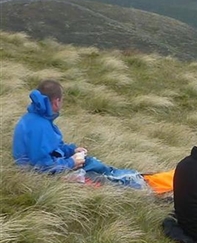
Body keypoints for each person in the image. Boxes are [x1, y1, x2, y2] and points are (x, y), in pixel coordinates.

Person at [12, 79, 145, 188]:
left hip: (48, 169)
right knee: (99, 178)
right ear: (56, 101)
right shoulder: (39, 126)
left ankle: (133, 178)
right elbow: (42, 166)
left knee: (91, 163)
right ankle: (138, 183)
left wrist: (72, 150)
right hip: (41, 178)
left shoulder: (36, 118)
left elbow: (53, 148)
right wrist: (71, 162)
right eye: (62, 100)